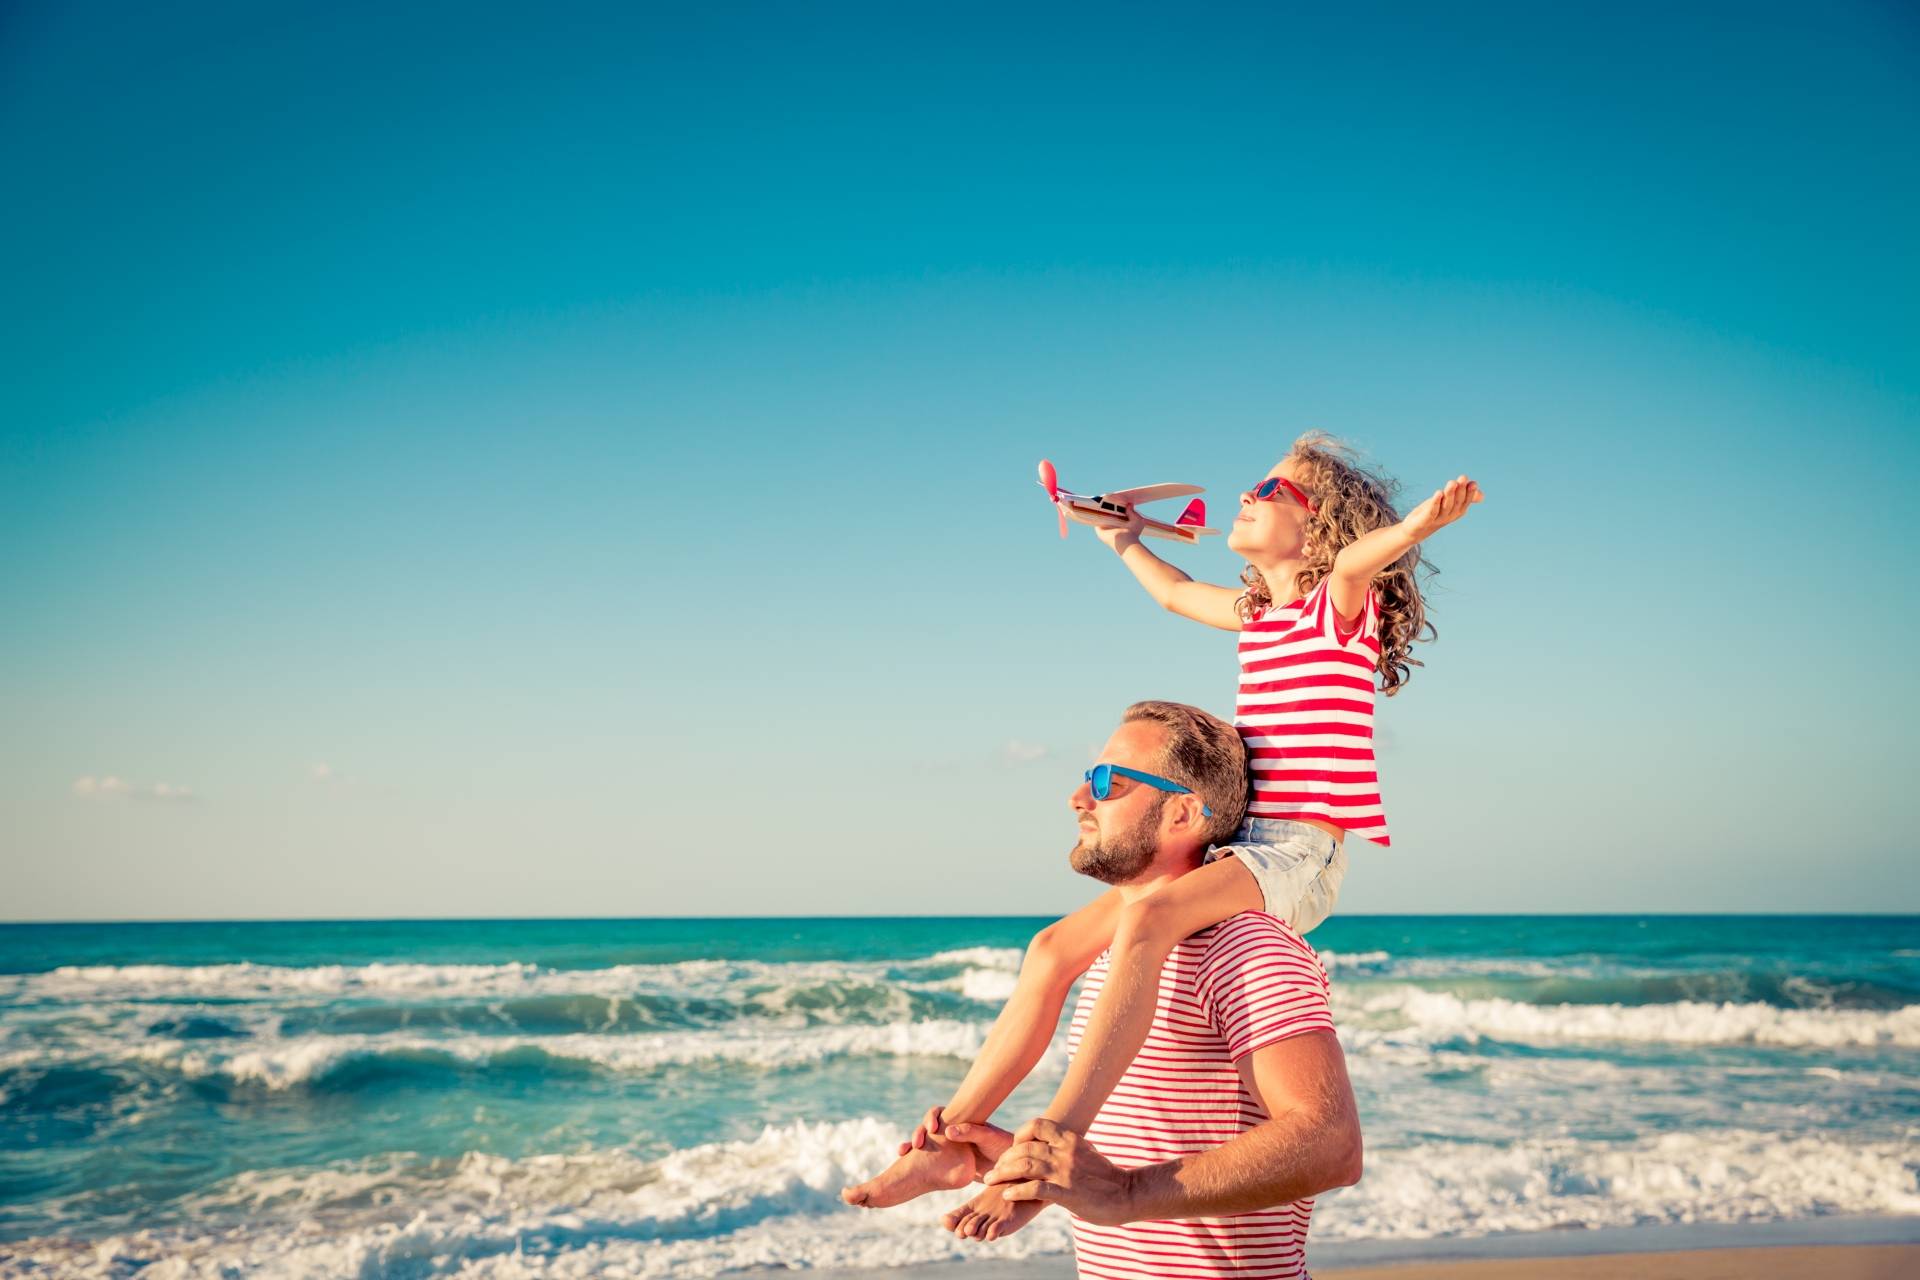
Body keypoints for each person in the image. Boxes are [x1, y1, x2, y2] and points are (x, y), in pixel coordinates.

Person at [844, 435, 1477, 1239]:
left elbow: (1358, 563)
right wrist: (1123, 538)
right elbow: (1176, 594)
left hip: (1296, 852)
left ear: (1318, 530)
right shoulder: (1259, 617)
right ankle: (949, 1140)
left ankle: (1057, 1140)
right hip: (1241, 844)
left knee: (1145, 920)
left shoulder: (1335, 609)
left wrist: (1419, 523)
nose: (1249, 493)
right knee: (1050, 951)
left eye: (1273, 488)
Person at [945, 702, 1364, 1278]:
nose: (1078, 799)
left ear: (1183, 813)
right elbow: (1145, 1141)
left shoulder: (1244, 945)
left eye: (1106, 782)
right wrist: (1031, 1166)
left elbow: (1331, 1144)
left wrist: (1126, 1192)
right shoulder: (1117, 959)